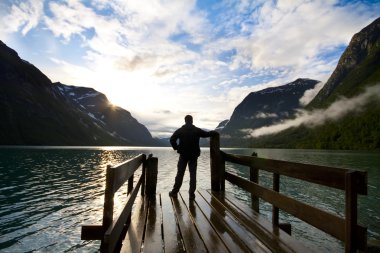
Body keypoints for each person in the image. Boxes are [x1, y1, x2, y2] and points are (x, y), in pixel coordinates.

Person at [169, 115, 214, 200]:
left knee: (180, 174)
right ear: (192, 121)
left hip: (183, 155)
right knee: (193, 175)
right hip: (194, 156)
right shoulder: (197, 130)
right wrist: (213, 132)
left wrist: (177, 147)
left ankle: (174, 192)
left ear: (185, 121)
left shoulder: (180, 130)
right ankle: (191, 195)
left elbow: (172, 139)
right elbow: (206, 134)